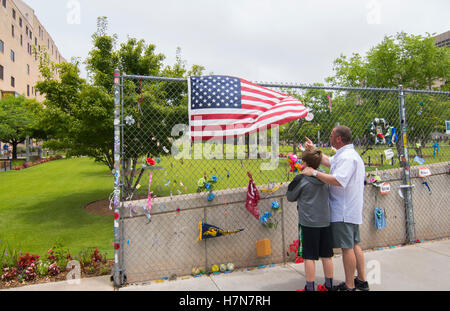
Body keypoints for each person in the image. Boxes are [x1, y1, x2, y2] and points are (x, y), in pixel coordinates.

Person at [302, 126, 369, 291]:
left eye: (332, 135)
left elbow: (338, 180)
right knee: (354, 244)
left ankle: (350, 285)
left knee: (347, 248)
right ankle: (361, 280)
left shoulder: (347, 158)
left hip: (344, 210)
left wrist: (314, 173)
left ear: (339, 139)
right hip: (350, 208)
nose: (330, 136)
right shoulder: (347, 155)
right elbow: (330, 161)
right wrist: (314, 150)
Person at [286, 146, 334, 291]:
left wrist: (295, 181)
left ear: (305, 163)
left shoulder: (301, 179)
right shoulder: (324, 176)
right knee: (327, 255)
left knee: (309, 256)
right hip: (325, 220)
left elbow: (290, 196)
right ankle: (329, 285)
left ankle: (310, 286)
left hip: (308, 223)